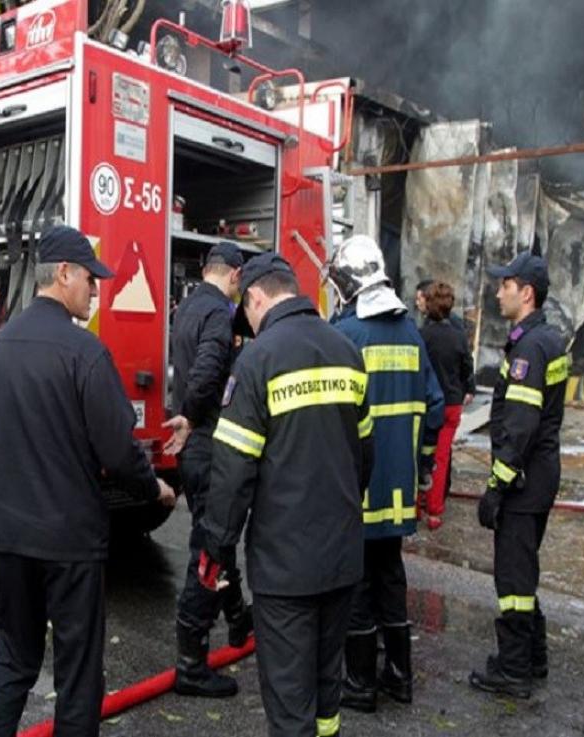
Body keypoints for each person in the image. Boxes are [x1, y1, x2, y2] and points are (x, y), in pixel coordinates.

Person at [0, 225, 177, 737]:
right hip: (69, 542)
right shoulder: (84, 353)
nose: (96, 290)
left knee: (12, 662)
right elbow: (118, 450)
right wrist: (155, 490)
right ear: (63, 274)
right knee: (78, 675)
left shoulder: (0, 348)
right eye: (91, 279)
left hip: (9, 538)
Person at [200, 252, 374, 737]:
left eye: (247, 314)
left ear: (256, 297)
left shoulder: (258, 360)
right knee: (326, 693)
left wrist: (215, 549)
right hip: (341, 557)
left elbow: (232, 475)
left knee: (289, 703)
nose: (250, 326)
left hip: (285, 568)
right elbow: (364, 458)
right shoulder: (346, 350)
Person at [329, 235, 444, 714]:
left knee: (356, 582)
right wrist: (421, 472)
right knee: (391, 575)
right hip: (397, 490)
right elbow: (434, 407)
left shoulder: (347, 336)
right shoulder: (411, 334)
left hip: (357, 489)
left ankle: (359, 683)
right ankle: (399, 676)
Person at [468, 251, 567, 700]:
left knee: (512, 581)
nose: (496, 291)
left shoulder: (529, 347)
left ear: (525, 293)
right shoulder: (545, 338)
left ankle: (513, 671)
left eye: (504, 284)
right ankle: (533, 657)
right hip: (541, 476)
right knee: (523, 571)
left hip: (525, 482)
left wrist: (496, 485)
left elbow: (521, 426)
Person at [162, 242, 253, 698]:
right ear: (235, 276)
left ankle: (238, 619)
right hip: (208, 440)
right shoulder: (220, 312)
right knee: (209, 548)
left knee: (217, 538)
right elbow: (208, 369)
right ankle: (191, 665)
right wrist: (195, 416)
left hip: (192, 446)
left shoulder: (188, 306)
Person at [418, 281, 475, 530]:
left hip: (429, 402)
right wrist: (468, 389)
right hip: (452, 403)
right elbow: (466, 366)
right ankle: (435, 510)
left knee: (422, 454)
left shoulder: (421, 336)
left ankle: (421, 505)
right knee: (441, 456)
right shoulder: (458, 335)